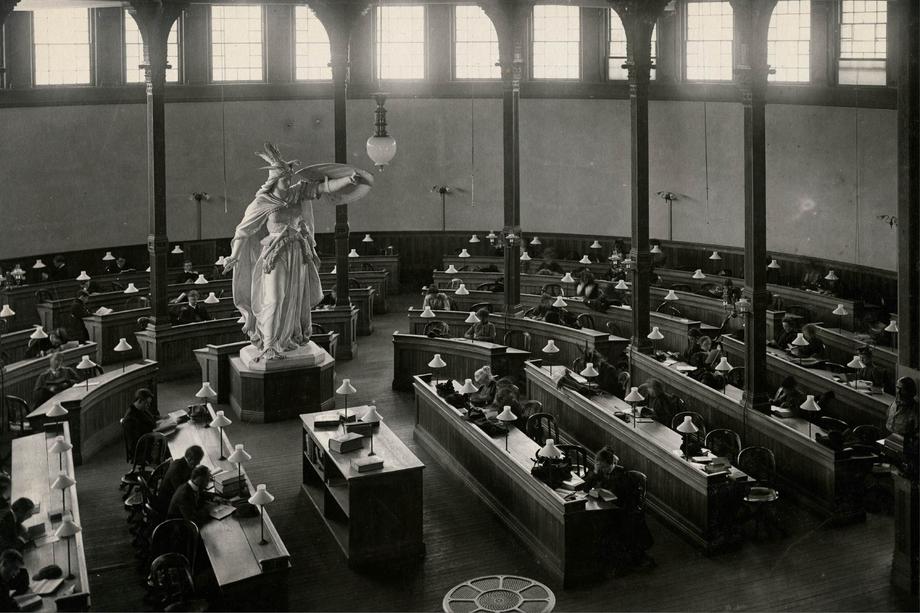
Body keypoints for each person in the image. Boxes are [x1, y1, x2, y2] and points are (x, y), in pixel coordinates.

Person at [223, 144, 367, 362]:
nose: (288, 183)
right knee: (275, 297)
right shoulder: (262, 202)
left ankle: (288, 337)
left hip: (298, 251)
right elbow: (243, 231)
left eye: (289, 178)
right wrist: (234, 255)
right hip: (275, 253)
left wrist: (349, 180)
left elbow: (323, 188)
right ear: (273, 180)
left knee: (295, 298)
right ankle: (269, 345)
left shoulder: (296, 193)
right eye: (284, 179)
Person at [576, 447, 654, 573]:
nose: (603, 471)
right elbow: (586, 487)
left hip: (625, 510)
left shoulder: (623, 475)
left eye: (605, 468)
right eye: (600, 467)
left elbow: (617, 496)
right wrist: (595, 474)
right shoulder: (601, 471)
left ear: (611, 464)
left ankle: (613, 559)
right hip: (610, 506)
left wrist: (600, 493)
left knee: (605, 526)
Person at [156, 445, 205, 514]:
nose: (198, 463)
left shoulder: (182, 462)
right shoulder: (176, 469)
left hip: (172, 497)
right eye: (198, 460)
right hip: (167, 505)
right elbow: (183, 494)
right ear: (191, 459)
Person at [122, 388, 161, 460]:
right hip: (142, 449)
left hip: (150, 441)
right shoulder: (130, 418)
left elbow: (151, 419)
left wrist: (165, 420)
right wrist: (155, 435)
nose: (148, 406)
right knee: (168, 447)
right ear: (139, 401)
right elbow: (136, 441)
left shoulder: (141, 409)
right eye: (146, 403)